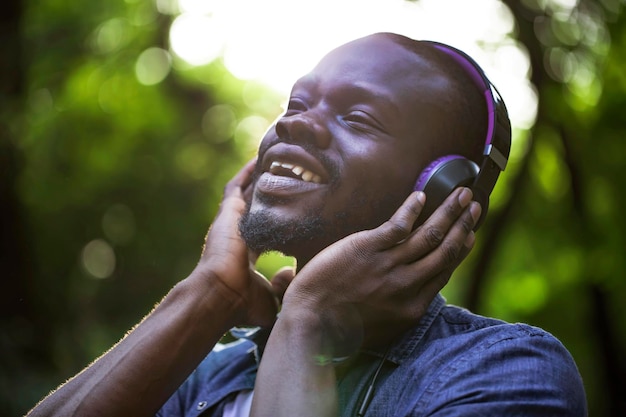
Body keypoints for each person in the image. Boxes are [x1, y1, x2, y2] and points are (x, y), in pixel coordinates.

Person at [28, 32, 587, 417]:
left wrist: (309, 319)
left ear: (441, 188)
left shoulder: (505, 372)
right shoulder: (207, 370)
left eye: (357, 117)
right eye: (297, 101)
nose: (297, 122)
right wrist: (209, 292)